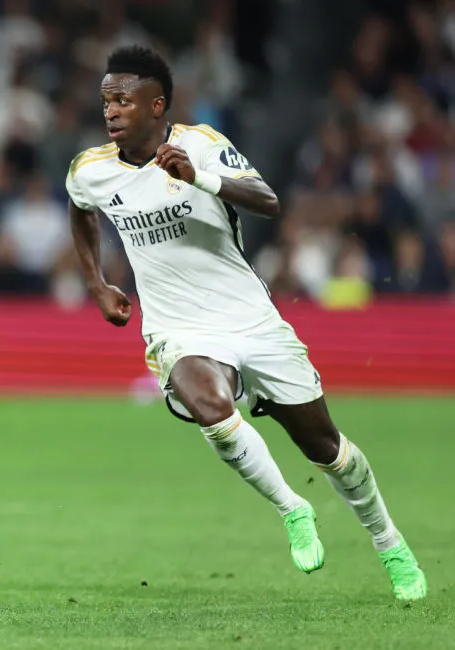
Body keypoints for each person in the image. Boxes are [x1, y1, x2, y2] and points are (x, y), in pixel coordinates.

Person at [66, 45, 426, 601]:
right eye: (106, 100)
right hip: (178, 329)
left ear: (156, 105)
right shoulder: (90, 169)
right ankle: (291, 507)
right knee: (209, 405)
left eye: (123, 101)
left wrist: (201, 179)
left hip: (250, 320)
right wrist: (96, 282)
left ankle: (390, 543)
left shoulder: (203, 144)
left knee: (328, 448)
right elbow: (79, 209)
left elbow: (268, 201)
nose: (110, 111)